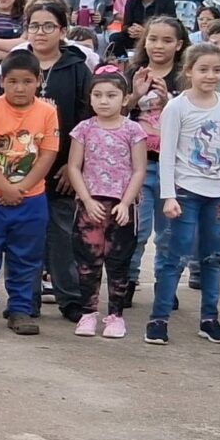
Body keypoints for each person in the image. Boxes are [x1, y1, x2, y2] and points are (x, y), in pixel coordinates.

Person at [0, 50, 60, 335]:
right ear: (2, 81)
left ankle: (20, 309)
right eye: (13, 81)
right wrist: (4, 187)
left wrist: (22, 188)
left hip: (30, 200)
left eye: (27, 81)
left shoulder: (47, 111)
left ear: (38, 81)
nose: (20, 88)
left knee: (27, 257)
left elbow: (47, 153)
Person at [150, 44, 220, 346]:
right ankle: (159, 319)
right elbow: (167, 154)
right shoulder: (177, 107)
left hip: (216, 195)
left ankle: (210, 318)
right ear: (188, 71)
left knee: (212, 257)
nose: (210, 75)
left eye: (217, 70)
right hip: (185, 192)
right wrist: (169, 195)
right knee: (176, 256)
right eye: (203, 69)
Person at [64, 70, 148, 339]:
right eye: (97, 95)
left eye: (111, 95)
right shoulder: (84, 129)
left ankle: (116, 315)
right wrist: (86, 199)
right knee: (88, 261)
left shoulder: (134, 130)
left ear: (124, 99)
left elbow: (138, 170)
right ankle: (89, 313)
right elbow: (74, 167)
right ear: (90, 98)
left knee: (119, 262)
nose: (104, 101)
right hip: (90, 206)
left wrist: (125, 202)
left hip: (122, 207)